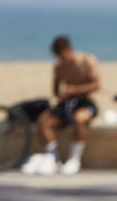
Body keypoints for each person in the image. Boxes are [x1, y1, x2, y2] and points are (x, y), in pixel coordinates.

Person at [21, 36, 101, 176]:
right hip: (66, 103)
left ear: (68, 50)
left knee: (79, 119)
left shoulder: (87, 61)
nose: (61, 59)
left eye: (62, 55)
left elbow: (96, 85)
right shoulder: (59, 66)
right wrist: (62, 96)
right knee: (43, 122)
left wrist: (74, 90)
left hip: (85, 102)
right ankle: (54, 159)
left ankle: (74, 159)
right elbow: (55, 90)